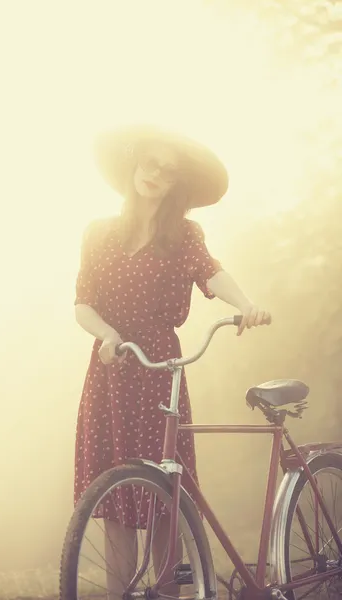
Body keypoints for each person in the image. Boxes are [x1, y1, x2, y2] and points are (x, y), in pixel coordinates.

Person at [73, 124, 271, 596]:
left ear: (175, 183)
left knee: (168, 496)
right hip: (113, 367)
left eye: (167, 170)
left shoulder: (184, 235)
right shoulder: (98, 233)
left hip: (160, 369)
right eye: (150, 163)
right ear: (134, 165)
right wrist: (107, 334)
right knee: (114, 496)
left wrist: (245, 304)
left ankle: (168, 592)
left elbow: (211, 272)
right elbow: (83, 303)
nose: (155, 174)